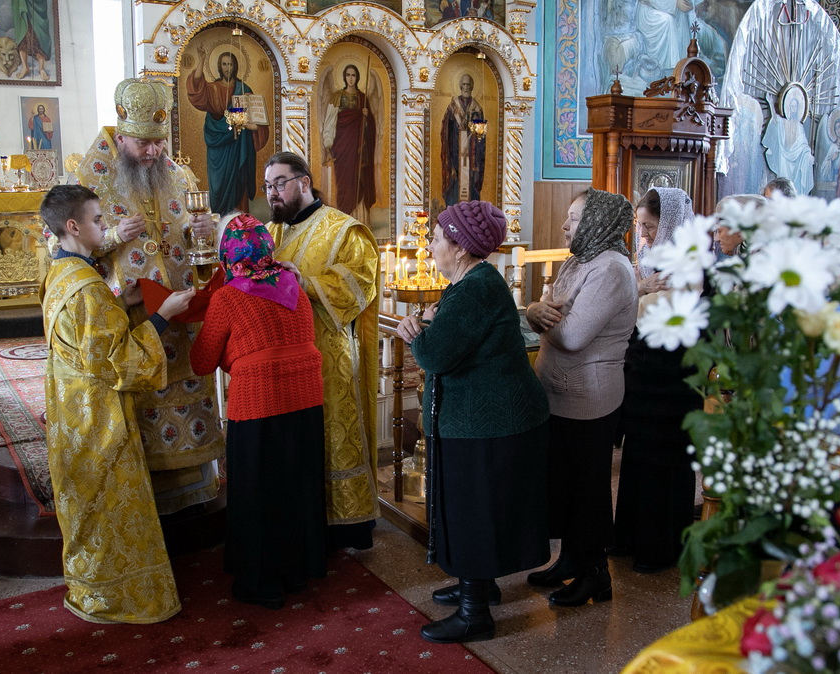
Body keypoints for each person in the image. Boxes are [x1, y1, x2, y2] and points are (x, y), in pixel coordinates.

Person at [39, 184, 194, 624]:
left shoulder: (62, 274)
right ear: (73, 226)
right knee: (108, 501)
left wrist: (121, 303)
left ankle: (90, 586)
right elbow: (122, 360)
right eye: (97, 220)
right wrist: (163, 314)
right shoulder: (87, 291)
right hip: (98, 414)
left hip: (72, 406)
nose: (104, 227)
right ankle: (119, 595)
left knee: (87, 502)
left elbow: (89, 338)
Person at [396, 200, 549, 644]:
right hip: (489, 421)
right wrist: (429, 322)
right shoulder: (474, 282)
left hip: (488, 424)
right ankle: (479, 586)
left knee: (474, 512)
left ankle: (474, 613)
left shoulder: (474, 289)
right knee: (480, 509)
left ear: (460, 247)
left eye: (436, 238)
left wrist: (415, 333)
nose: (430, 246)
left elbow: (436, 356)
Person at [73, 78, 224, 515]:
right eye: (144, 143)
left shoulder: (178, 174)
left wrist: (205, 229)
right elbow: (56, 245)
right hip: (136, 320)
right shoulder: (89, 178)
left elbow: (194, 231)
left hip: (184, 313)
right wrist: (113, 236)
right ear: (121, 136)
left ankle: (198, 490)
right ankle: (148, 500)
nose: (154, 152)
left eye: (159, 143)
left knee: (190, 397)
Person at [190, 213, 326, 610]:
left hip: (259, 400)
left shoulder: (228, 297)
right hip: (306, 397)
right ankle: (297, 573)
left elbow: (201, 362)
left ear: (227, 255)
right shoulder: (293, 285)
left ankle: (262, 582)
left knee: (257, 490)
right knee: (296, 483)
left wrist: (234, 358)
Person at [525, 189, 637, 606]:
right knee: (566, 483)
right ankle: (570, 560)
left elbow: (572, 335)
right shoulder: (580, 260)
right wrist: (537, 309)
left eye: (573, 218)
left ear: (596, 222)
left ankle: (596, 575)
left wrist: (538, 316)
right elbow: (549, 308)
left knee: (587, 488)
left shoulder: (611, 269)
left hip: (590, 397)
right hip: (559, 394)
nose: (564, 226)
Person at [263, 151, 381, 550]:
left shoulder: (344, 230)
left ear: (304, 182)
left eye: (280, 184)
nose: (273, 193)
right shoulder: (270, 233)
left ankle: (346, 524)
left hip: (330, 357)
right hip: (281, 358)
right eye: (268, 186)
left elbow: (360, 284)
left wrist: (306, 283)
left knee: (335, 435)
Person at [612, 187, 702, 572]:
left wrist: (636, 294)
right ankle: (629, 538)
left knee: (664, 466)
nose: (644, 235)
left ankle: (658, 548)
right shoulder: (648, 260)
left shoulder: (690, 265)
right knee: (637, 460)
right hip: (643, 376)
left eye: (650, 226)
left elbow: (680, 325)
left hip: (671, 382)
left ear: (670, 224)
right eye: (640, 226)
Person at [186, 48, 270, 214]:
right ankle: (217, 219)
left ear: (235, 66)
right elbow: (196, 89)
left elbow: (258, 119)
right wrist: (201, 60)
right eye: (224, 64)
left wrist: (251, 125)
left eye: (230, 64)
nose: (227, 68)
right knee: (218, 184)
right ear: (219, 66)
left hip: (239, 144)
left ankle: (241, 220)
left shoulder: (244, 89)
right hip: (217, 143)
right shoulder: (213, 88)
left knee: (239, 180)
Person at [322, 64, 377, 222]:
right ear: (344, 77)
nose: (350, 78)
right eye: (348, 75)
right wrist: (328, 143)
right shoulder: (337, 96)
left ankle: (359, 219)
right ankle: (342, 218)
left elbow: (370, 126)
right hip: (342, 146)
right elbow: (330, 121)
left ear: (357, 77)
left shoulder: (362, 98)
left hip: (358, 147)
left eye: (353, 75)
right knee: (344, 182)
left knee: (358, 178)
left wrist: (367, 117)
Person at [440, 73, 486, 206]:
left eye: (468, 85)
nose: (466, 87)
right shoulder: (453, 107)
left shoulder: (477, 108)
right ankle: (453, 213)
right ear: (460, 86)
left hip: (471, 157)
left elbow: (480, 137)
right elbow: (445, 132)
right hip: (455, 155)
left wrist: (477, 160)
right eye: (464, 85)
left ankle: (470, 214)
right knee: (455, 184)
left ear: (472, 87)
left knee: (471, 185)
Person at [13, 0, 52, 80]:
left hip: (37, 6)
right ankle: (25, 67)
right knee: (23, 36)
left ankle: (41, 68)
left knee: (38, 38)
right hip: (21, 3)